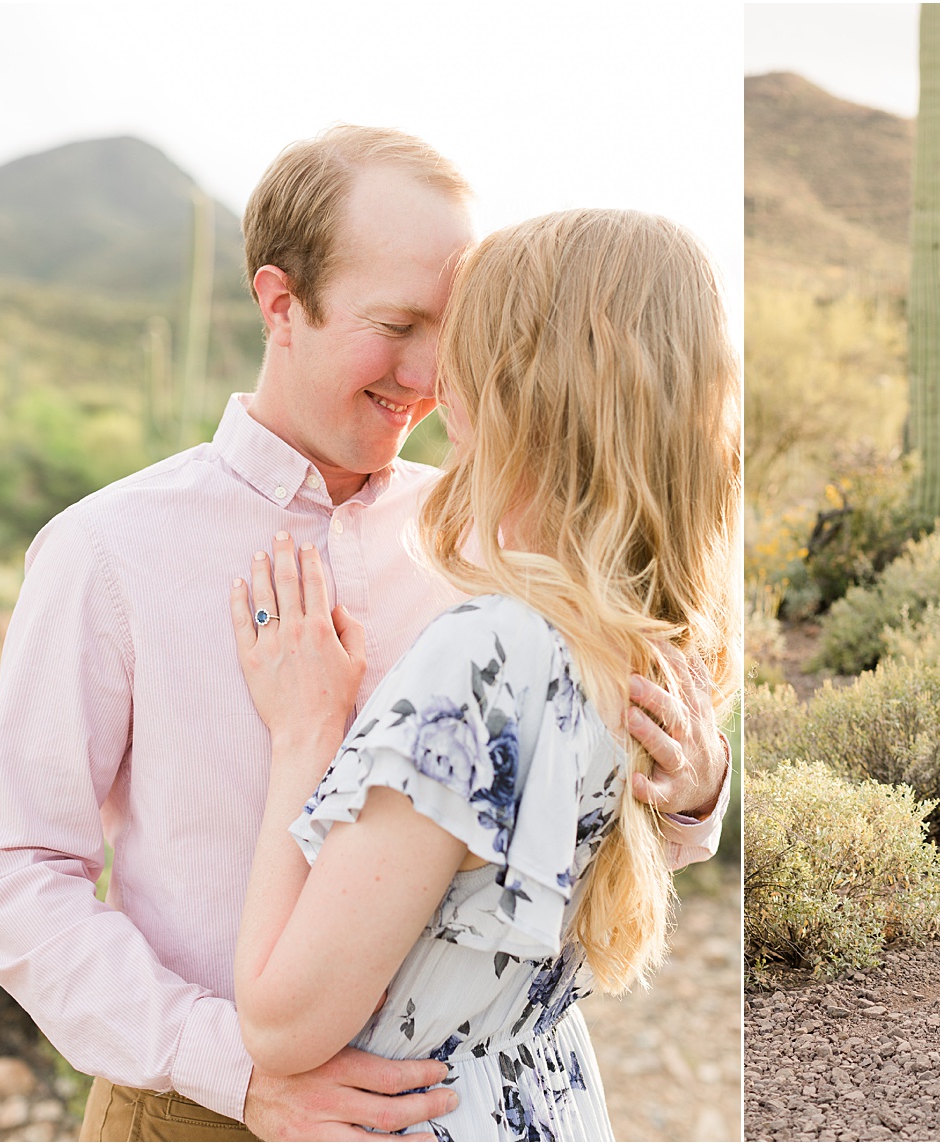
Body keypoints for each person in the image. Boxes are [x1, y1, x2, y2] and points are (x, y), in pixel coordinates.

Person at [0, 128, 731, 1142]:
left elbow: (552, 811)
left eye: (454, 329)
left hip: (451, 1101)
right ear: (279, 303)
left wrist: (689, 790)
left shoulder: (495, 539)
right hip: (196, 1111)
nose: (428, 373)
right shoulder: (107, 550)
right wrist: (233, 1067)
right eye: (396, 323)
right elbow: (14, 868)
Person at [228, 207, 738, 1142]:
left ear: (520, 384)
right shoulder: (645, 631)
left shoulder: (488, 652)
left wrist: (306, 732)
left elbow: (280, 1021)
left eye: (459, 339)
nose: (427, 374)